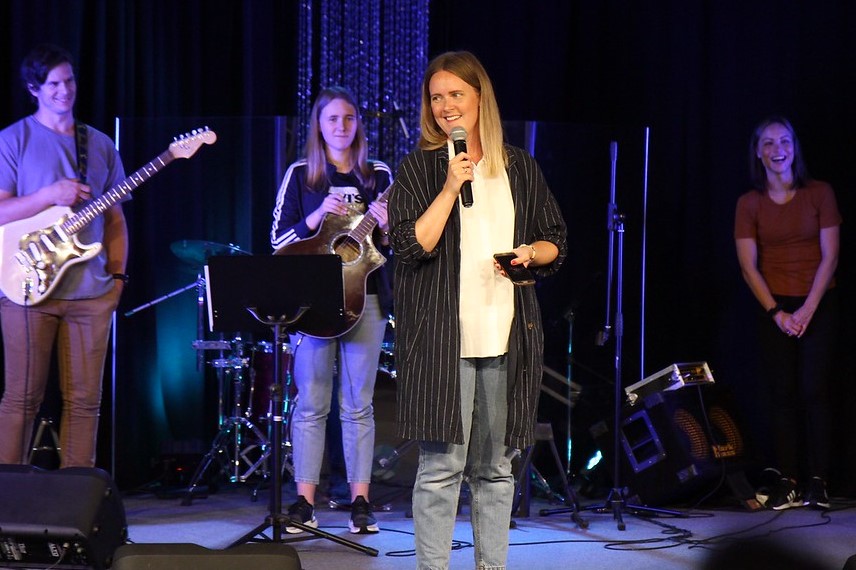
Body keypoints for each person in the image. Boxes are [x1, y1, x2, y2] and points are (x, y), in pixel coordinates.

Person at [387, 51, 567, 569]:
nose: (445, 106)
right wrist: (450, 186)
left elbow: (555, 241)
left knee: (496, 470)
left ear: (480, 97)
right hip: (442, 340)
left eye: (455, 94)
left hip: (508, 335)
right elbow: (411, 245)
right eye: (436, 97)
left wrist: (530, 253)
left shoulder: (519, 166)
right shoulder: (419, 167)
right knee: (441, 470)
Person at [270, 86, 392, 534]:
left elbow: (394, 244)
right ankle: (305, 503)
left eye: (349, 118)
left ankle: (361, 502)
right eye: (332, 119)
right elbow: (278, 240)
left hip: (367, 298)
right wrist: (317, 214)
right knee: (311, 404)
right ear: (318, 127)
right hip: (313, 302)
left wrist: (387, 226)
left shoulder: (379, 174)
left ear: (358, 124)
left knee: (359, 405)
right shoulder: (301, 174)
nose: (341, 126)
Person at [0, 44, 128, 468]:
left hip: (90, 292)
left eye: (69, 81)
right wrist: (48, 195)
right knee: (21, 398)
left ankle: (77, 498)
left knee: (85, 402)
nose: (64, 90)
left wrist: (117, 280)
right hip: (25, 289)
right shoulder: (13, 140)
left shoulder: (99, 144)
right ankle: (9, 494)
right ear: (34, 88)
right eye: (53, 83)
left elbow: (115, 220)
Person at [734, 116, 841, 511]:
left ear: (794, 148)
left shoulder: (820, 193)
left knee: (814, 390)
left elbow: (831, 256)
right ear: (758, 152)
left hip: (818, 302)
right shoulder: (749, 203)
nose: (777, 149)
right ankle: (789, 479)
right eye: (768, 142)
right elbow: (748, 267)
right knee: (782, 394)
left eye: (784, 141)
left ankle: (819, 481)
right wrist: (778, 313)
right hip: (774, 304)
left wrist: (808, 309)